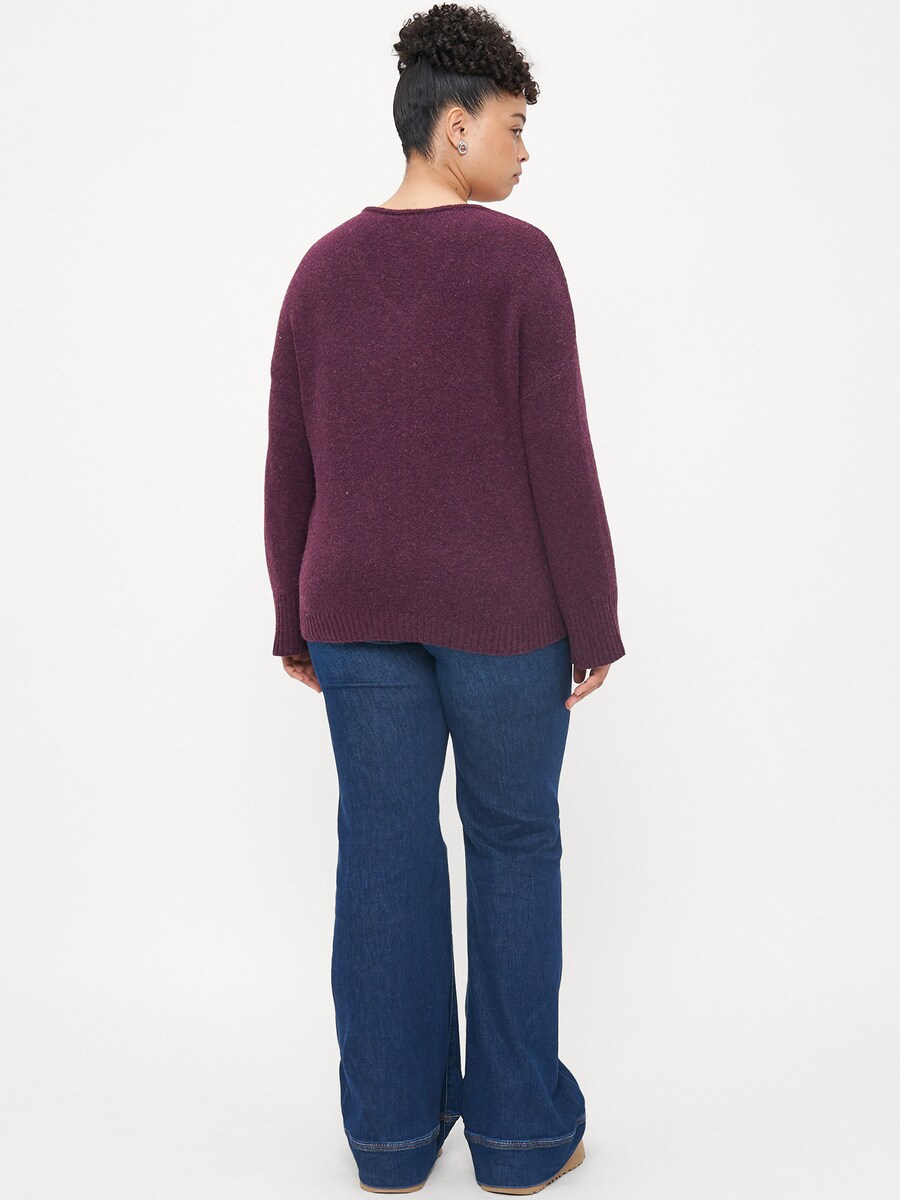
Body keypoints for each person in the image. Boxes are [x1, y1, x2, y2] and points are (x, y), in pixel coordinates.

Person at [263, 5, 625, 1194]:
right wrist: (594, 615)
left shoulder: (320, 270)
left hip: (352, 611)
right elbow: (557, 451)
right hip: (503, 614)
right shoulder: (518, 262)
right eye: (514, 127)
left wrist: (291, 615)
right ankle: (519, 1139)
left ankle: (390, 1136)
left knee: (383, 851)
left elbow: (289, 460)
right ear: (454, 126)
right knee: (513, 843)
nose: (524, 151)